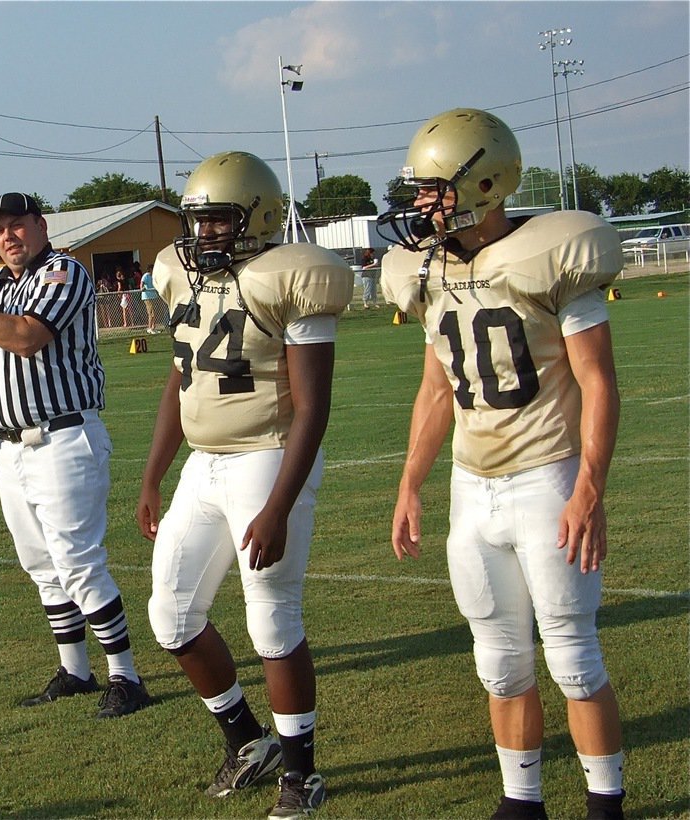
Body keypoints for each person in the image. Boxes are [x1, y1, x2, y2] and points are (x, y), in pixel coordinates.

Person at [377, 108, 626, 820]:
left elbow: (599, 381)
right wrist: (410, 483)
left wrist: (589, 489)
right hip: (471, 488)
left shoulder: (554, 255)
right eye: (419, 191)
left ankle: (605, 806)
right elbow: (435, 388)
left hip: (546, 476)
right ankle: (523, 804)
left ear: (486, 183)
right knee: (500, 661)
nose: (422, 205)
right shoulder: (433, 270)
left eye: (435, 190)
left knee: (574, 658)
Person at [136, 151, 351, 819]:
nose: (205, 235)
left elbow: (313, 405)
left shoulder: (290, 276)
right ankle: (247, 740)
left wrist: (280, 504)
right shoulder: (183, 277)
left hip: (268, 454)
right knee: (170, 615)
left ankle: (303, 774)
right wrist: (153, 474)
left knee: (271, 617)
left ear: (255, 217)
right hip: (206, 460)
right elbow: (182, 379)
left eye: (220, 220)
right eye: (198, 221)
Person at [0, 191, 152, 719]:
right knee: (41, 565)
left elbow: (26, 338)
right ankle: (76, 669)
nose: (8, 237)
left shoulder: (64, 272)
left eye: (17, 225)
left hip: (62, 436)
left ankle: (127, 677)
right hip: (9, 446)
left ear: (40, 226)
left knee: (77, 561)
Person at [140, 262, 161, 333]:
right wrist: (142, 288)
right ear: (150, 269)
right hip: (147, 297)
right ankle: (149, 328)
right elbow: (141, 284)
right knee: (151, 313)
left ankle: (153, 327)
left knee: (154, 313)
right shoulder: (145, 276)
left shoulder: (154, 276)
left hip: (153, 296)